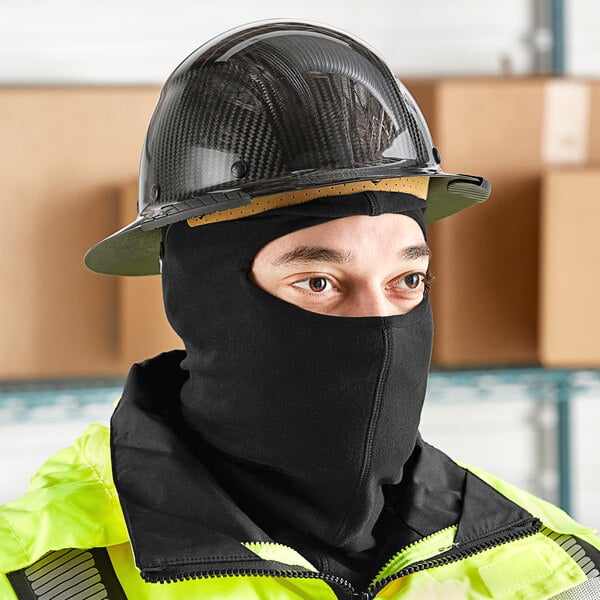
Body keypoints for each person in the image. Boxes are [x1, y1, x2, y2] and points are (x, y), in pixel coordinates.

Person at [1, 20, 598, 600]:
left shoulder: (558, 569)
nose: (380, 328)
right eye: (318, 281)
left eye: (407, 279)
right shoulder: (46, 581)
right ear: (201, 297)